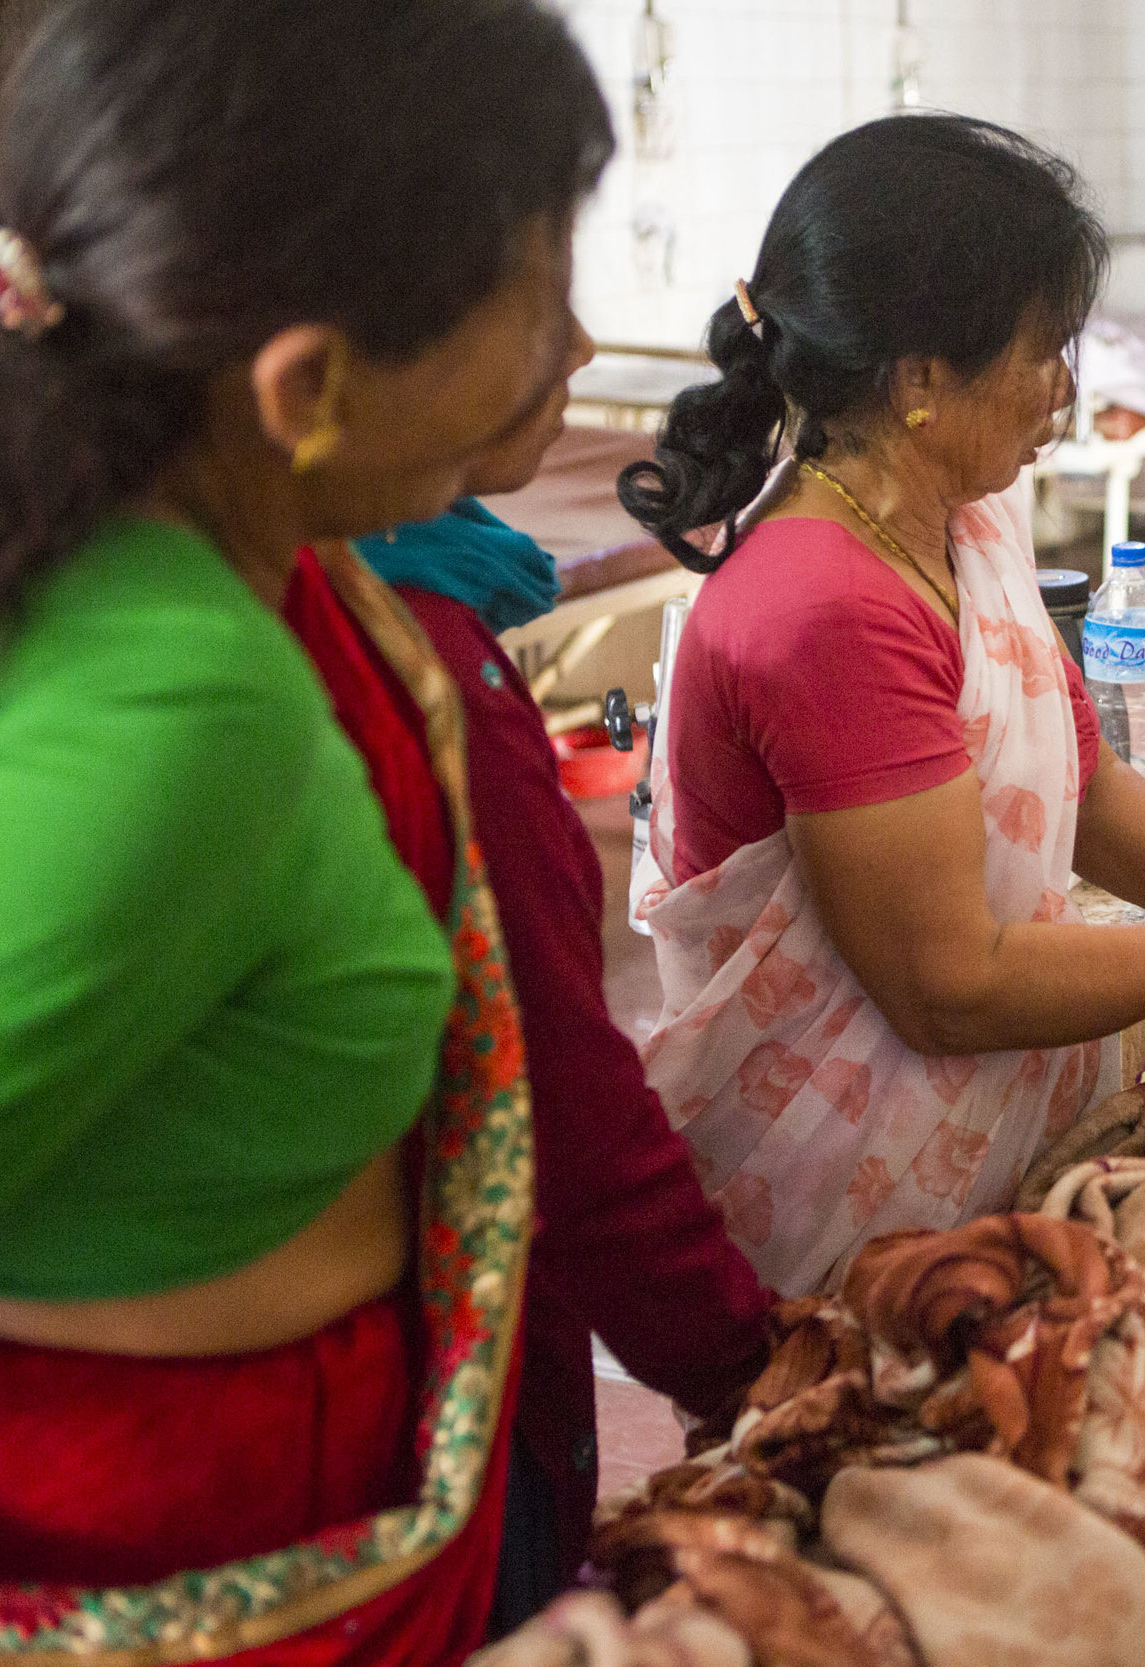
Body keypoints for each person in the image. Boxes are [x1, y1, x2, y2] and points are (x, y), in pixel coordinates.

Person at [0, 0, 610, 1656]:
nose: (569, 347)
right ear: (311, 384)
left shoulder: (215, 571)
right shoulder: (193, 709)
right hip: (171, 1543)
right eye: (536, 292)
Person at [619, 114, 1145, 1297]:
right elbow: (947, 987)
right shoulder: (825, 608)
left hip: (972, 1127)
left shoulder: (961, 521)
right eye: (1041, 348)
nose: (1063, 386)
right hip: (848, 1195)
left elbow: (1081, 760)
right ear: (918, 377)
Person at [345, 363, 774, 1628]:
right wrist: (751, 1363)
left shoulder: (389, 615)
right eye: (529, 286)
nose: (578, 347)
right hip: (398, 1425)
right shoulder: (403, 670)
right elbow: (554, 1102)